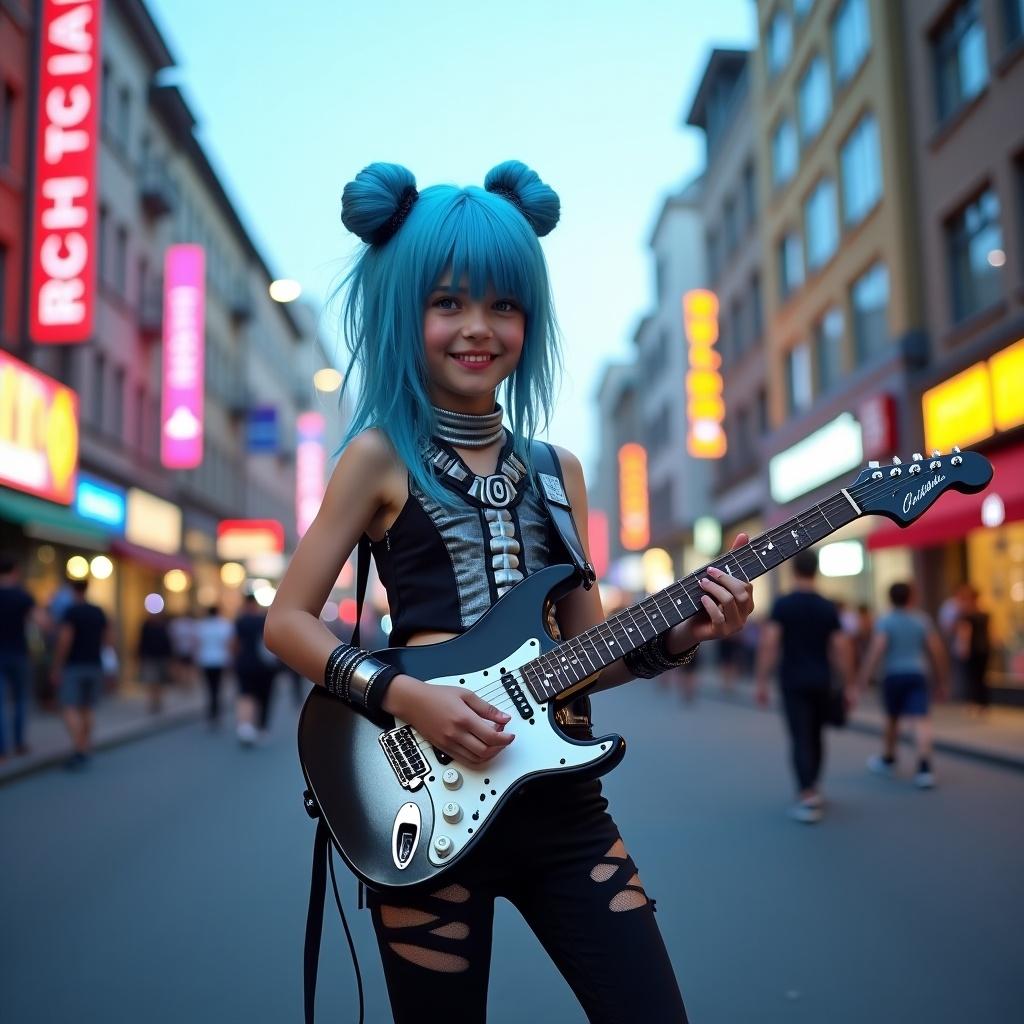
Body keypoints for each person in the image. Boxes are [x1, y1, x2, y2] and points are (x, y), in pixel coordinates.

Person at [263, 161, 754, 1023]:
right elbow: (286, 622)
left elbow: (583, 657)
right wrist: (411, 698)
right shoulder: (379, 457)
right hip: (423, 819)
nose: (478, 328)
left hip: (566, 814)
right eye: (447, 303)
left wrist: (682, 634)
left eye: (504, 305)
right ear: (402, 311)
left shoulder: (561, 470)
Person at [754, 549, 853, 824]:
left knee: (800, 735)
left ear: (793, 570)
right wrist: (849, 683)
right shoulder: (827, 606)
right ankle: (814, 787)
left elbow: (770, 643)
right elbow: (840, 646)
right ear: (816, 570)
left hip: (793, 681)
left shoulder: (783, 604)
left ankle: (807, 793)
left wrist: (761, 681)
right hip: (822, 679)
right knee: (817, 734)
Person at [858, 582, 949, 789]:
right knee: (921, 719)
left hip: (893, 675)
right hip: (917, 673)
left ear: (890, 599)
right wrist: (942, 680)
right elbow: (936, 650)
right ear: (911, 597)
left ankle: (888, 759)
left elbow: (876, 650)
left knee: (892, 718)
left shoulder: (886, 621)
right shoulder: (921, 620)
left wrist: (864, 677)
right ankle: (924, 767)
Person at [50, 578, 111, 770]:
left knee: (69, 707)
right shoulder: (98, 611)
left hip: (74, 665)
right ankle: (85, 746)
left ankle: (79, 748)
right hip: (94, 664)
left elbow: (65, 640)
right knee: (87, 708)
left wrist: (57, 665)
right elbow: (109, 638)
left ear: (72, 591)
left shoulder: (71, 612)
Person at [0, 552, 47, 760]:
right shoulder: (23, 595)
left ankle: (2, 751)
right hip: (19, 653)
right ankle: (19, 744)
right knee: (20, 700)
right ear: (16, 571)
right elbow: (42, 622)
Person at [233, 593, 277, 746]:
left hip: (245, 664)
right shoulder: (264, 620)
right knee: (265, 697)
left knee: (246, 694)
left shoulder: (240, 622)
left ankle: (245, 727)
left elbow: (235, 644)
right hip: (265, 667)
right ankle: (262, 727)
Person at [194, 606, 234, 728]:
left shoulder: (202, 626)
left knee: (209, 687)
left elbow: (197, 643)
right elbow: (229, 643)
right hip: (220, 660)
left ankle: (212, 711)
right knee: (218, 687)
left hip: (205, 660)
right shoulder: (224, 625)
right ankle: (216, 711)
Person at [953, 585, 991, 714]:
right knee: (981, 677)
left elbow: (965, 633)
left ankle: (973, 703)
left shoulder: (966, 616)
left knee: (971, 677)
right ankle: (983, 704)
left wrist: (963, 647)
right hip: (984, 648)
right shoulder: (984, 614)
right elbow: (991, 633)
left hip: (974, 649)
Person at [137, 609, 173, 713]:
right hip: (150, 657)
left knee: (160, 681)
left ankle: (158, 701)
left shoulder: (163, 625)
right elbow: (142, 642)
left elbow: (168, 642)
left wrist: (170, 657)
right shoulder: (146, 625)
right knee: (151, 680)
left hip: (161, 657)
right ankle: (152, 701)